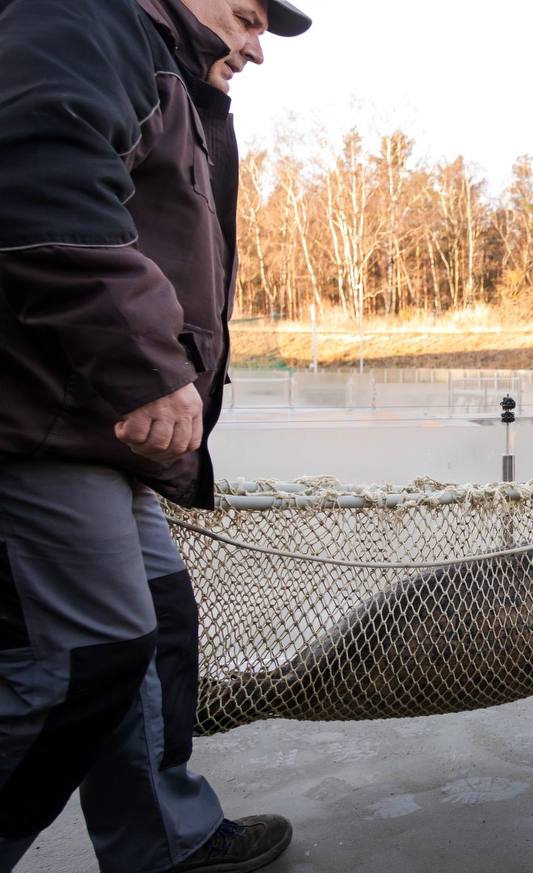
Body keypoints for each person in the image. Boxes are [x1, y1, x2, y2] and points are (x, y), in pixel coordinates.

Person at [0, 0, 310, 870]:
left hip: (91, 424)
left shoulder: (169, 70)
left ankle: (164, 839)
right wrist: (147, 367)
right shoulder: (74, 21)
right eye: (249, 19)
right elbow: (39, 189)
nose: (256, 49)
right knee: (78, 661)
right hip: (36, 419)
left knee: (158, 626)